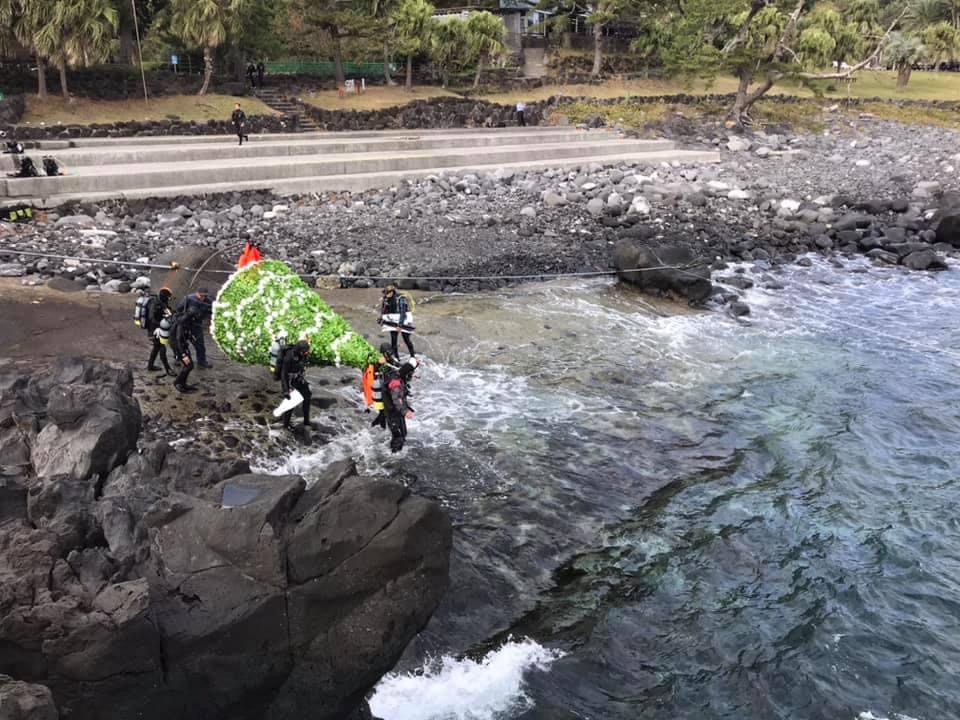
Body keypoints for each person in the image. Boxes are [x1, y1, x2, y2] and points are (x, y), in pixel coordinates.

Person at [280, 340, 314, 430]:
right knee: (291, 402)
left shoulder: (302, 355)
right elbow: (283, 374)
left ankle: (306, 421)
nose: (307, 353)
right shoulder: (289, 357)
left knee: (307, 396)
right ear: (299, 350)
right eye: (305, 351)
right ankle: (285, 425)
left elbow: (303, 364)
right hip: (290, 380)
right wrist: (286, 390)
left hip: (299, 378)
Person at [176, 288, 214, 368]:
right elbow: (179, 309)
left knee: (200, 344)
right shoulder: (188, 299)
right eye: (201, 296)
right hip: (185, 324)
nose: (202, 298)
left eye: (204, 296)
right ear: (197, 293)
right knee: (181, 342)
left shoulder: (208, 301)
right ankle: (178, 359)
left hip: (197, 325)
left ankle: (201, 362)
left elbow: (211, 311)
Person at [378, 284, 415, 359]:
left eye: (386, 293)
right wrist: (382, 319)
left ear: (391, 292)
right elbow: (384, 310)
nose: (385, 295)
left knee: (406, 339)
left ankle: (412, 356)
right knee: (393, 339)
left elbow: (403, 313)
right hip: (393, 320)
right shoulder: (386, 298)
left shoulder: (400, 299)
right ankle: (396, 357)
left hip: (403, 320)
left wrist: (400, 325)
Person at [146, 287, 175, 376]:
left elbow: (167, 311)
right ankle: (168, 369)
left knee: (156, 347)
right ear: (164, 296)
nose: (169, 299)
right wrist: (160, 324)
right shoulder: (154, 303)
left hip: (160, 328)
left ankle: (150, 366)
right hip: (155, 329)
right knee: (162, 347)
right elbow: (151, 318)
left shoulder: (162, 302)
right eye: (168, 297)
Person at [169, 309, 199, 393]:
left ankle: (183, 383)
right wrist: (183, 355)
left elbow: (186, 334)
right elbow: (178, 339)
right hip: (178, 347)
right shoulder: (181, 324)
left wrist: (191, 338)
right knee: (188, 365)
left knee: (189, 365)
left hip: (181, 345)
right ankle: (177, 383)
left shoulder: (186, 322)